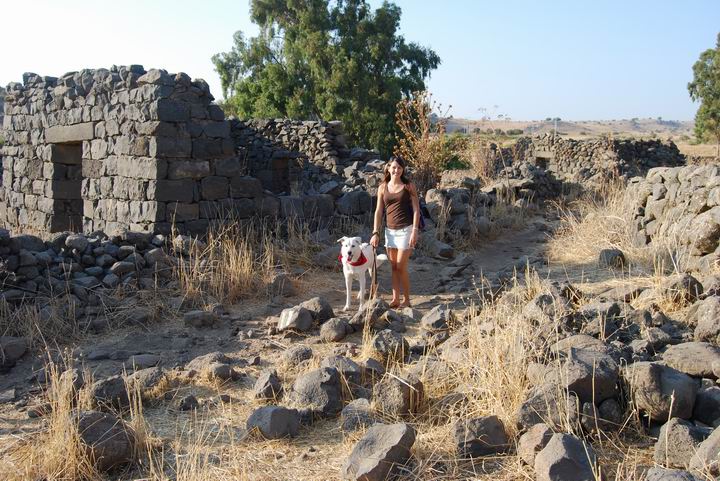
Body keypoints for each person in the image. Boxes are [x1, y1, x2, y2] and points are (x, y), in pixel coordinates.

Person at [370, 156, 421, 308]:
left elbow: (416, 210)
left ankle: (406, 300)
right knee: (393, 267)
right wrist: (375, 232)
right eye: (393, 167)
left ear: (403, 169)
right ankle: (395, 299)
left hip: (406, 230)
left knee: (400, 266)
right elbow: (379, 211)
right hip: (389, 232)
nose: (396, 170)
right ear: (388, 168)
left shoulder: (408, 186)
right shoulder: (382, 187)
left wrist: (415, 231)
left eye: (399, 167)